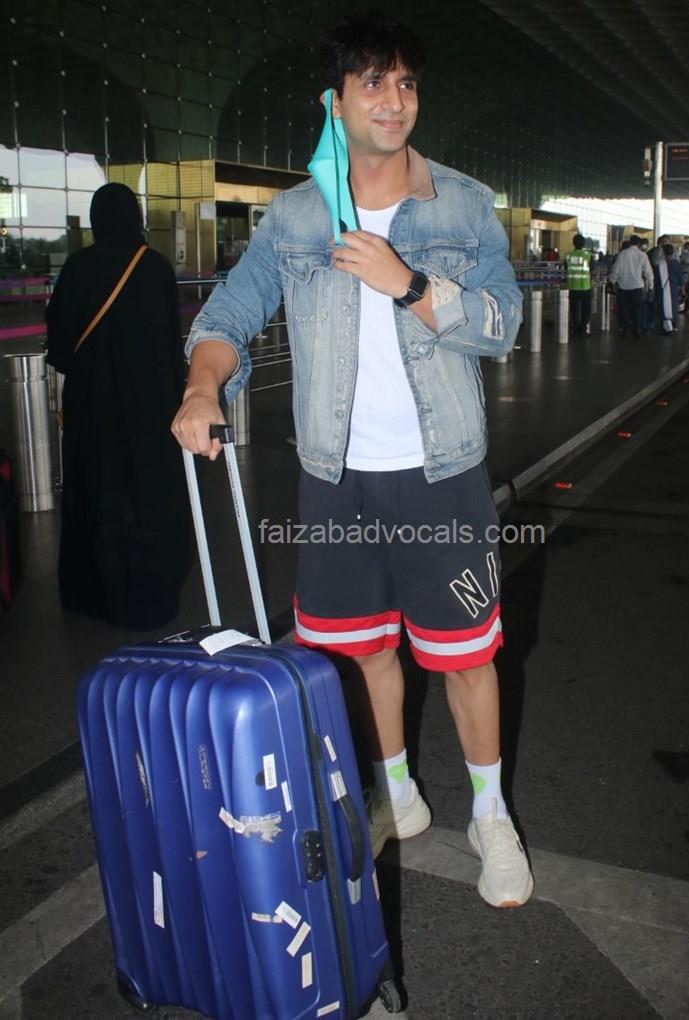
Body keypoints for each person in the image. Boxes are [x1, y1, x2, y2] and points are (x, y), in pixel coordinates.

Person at [171, 12, 534, 909]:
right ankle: (398, 792)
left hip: (441, 473)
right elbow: (231, 311)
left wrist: (408, 284)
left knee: (464, 657)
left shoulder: (462, 203)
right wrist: (202, 387)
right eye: (373, 82)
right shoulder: (297, 215)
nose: (394, 100)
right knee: (364, 653)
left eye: (406, 82)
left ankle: (491, 815)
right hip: (336, 478)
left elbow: (502, 324)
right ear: (334, 102)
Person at [45, 183, 190, 629]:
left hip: (91, 409)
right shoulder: (155, 268)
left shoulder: (77, 267)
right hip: (150, 409)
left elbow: (60, 345)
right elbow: (170, 345)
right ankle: (149, 594)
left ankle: (91, 593)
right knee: (146, 490)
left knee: (94, 487)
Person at [608, 234, 653, 337]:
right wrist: (651, 286)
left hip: (623, 287)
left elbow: (616, 270)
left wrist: (612, 281)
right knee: (637, 309)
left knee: (624, 309)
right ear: (639, 244)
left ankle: (624, 329)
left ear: (630, 242)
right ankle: (636, 329)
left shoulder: (622, 254)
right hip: (637, 287)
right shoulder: (642, 255)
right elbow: (648, 272)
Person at [564, 233, 593, 336]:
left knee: (574, 309)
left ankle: (575, 329)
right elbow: (592, 270)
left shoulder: (568, 256)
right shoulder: (588, 255)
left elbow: (566, 268)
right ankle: (583, 330)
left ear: (573, 243)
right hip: (585, 287)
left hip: (572, 286)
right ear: (584, 244)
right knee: (586, 310)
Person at [653, 243, 682, 333]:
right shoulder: (676, 263)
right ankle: (674, 325)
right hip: (673, 289)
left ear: (663, 252)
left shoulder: (660, 264)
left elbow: (656, 278)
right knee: (673, 306)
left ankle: (666, 327)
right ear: (673, 253)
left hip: (662, 288)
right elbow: (680, 277)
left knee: (663, 306)